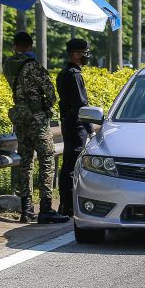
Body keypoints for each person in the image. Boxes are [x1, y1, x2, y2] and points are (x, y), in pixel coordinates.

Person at [3, 31, 68, 224]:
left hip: (20, 117)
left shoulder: (8, 65)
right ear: (30, 46)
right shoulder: (34, 67)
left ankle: (26, 209)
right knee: (47, 158)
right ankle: (46, 208)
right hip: (36, 118)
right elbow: (51, 93)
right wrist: (45, 109)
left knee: (25, 161)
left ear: (15, 46)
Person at [56, 38, 93, 217]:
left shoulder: (63, 73)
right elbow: (81, 104)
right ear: (76, 54)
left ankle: (65, 204)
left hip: (67, 122)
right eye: (85, 53)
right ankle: (69, 206)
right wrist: (90, 128)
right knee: (73, 166)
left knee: (67, 164)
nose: (86, 56)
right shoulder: (74, 75)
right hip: (76, 125)